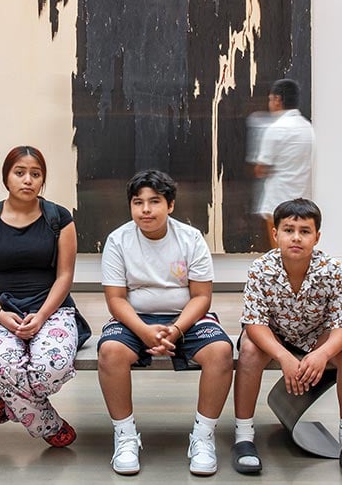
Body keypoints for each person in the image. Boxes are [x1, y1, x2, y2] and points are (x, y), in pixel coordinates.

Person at [97, 170, 234, 476]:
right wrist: (144, 331)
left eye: (154, 202)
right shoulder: (118, 240)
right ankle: (126, 436)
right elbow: (116, 299)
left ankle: (202, 437)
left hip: (186, 317)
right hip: (135, 318)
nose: (145, 210)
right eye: (138, 202)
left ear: (170, 205)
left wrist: (176, 329)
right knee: (110, 352)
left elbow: (201, 297)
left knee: (221, 352)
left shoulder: (190, 238)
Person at [231, 198, 342, 479]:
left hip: (315, 340)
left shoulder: (334, 270)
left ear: (316, 237)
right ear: (275, 234)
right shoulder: (261, 268)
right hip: (273, 339)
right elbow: (255, 323)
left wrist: (320, 354)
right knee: (248, 348)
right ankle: (243, 437)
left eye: (305, 231)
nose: (296, 237)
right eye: (288, 230)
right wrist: (283, 357)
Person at [0, 146, 86, 448]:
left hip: (52, 309)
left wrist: (44, 315)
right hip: (1, 310)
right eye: (19, 172)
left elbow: (65, 276)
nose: (28, 180)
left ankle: (11, 402)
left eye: (36, 174)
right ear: (6, 177)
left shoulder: (59, 218)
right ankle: (50, 424)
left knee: (52, 368)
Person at [254, 79, 314, 247]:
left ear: (278, 100)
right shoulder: (307, 127)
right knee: (300, 252)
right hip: (303, 200)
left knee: (279, 255)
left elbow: (261, 168)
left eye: (270, 99)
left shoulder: (276, 128)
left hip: (278, 200)